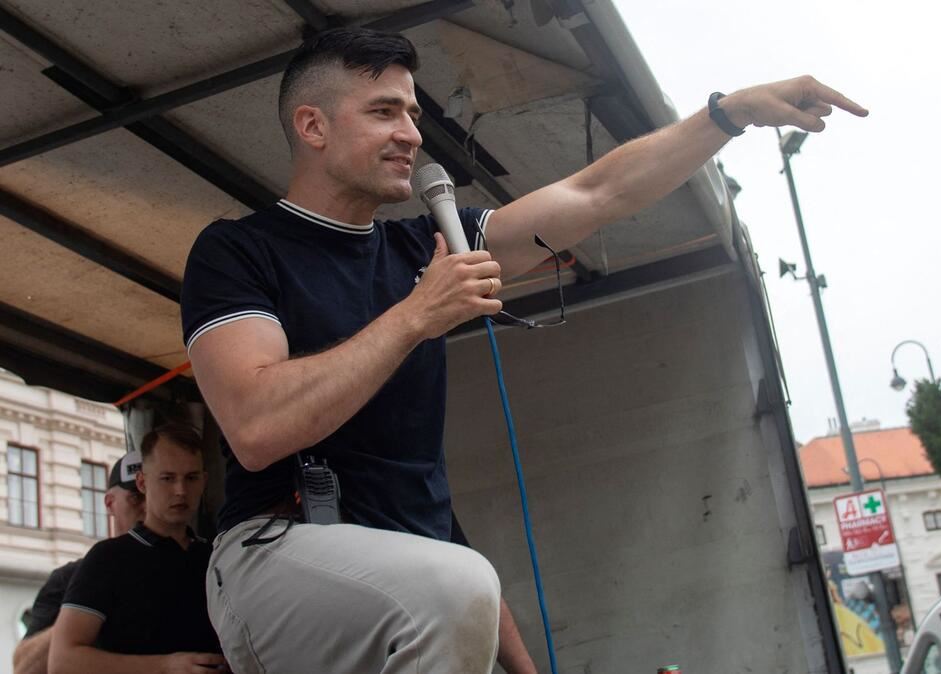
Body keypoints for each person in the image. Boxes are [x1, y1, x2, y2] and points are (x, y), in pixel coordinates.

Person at [181, 27, 866, 674]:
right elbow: (257, 428)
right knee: (454, 586)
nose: (412, 135)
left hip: (414, 570)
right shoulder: (239, 252)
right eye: (385, 111)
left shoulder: (427, 247)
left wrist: (728, 115)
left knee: (458, 586)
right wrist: (416, 314)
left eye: (413, 114)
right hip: (271, 560)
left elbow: (596, 192)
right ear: (314, 126)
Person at [48, 425, 226, 674]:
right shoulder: (107, 558)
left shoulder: (216, 557)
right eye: (167, 478)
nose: (180, 491)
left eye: (191, 478)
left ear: (204, 481)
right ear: (142, 482)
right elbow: (63, 662)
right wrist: (165, 666)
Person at [12, 452, 146, 674]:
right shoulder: (72, 577)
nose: (147, 507)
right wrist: (81, 616)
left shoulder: (191, 565)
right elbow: (25, 668)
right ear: (110, 503)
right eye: (136, 497)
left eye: (153, 493)